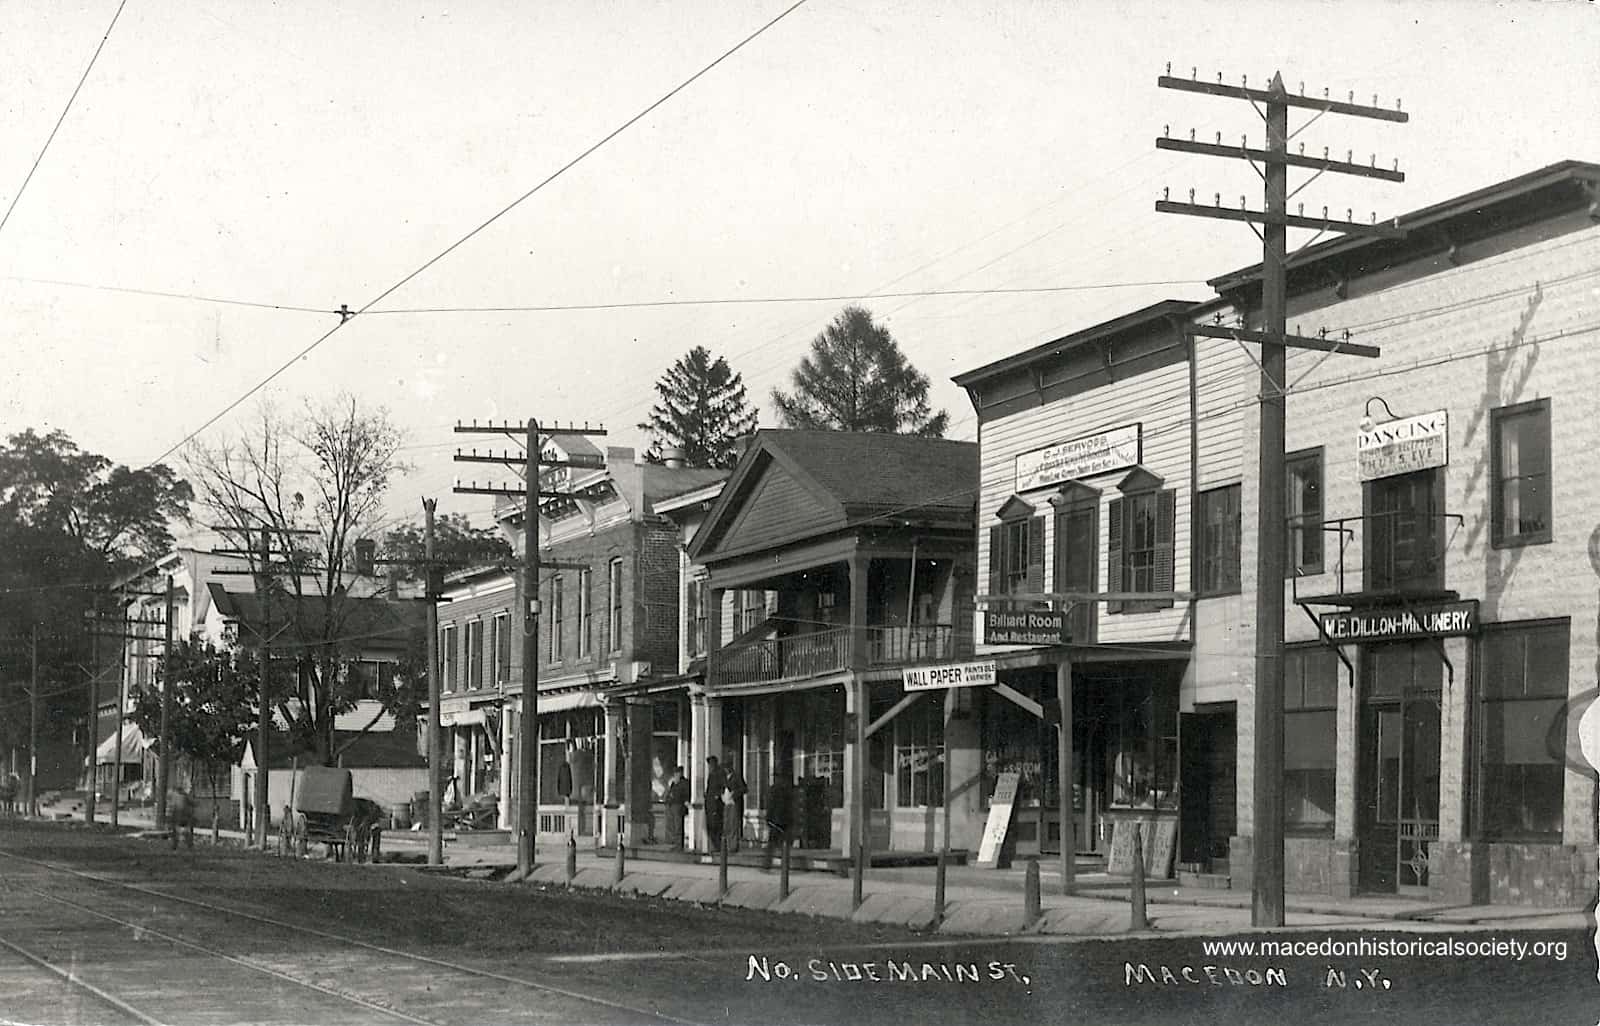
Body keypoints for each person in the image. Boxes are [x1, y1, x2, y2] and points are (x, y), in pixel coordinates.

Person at [762, 770, 794, 871]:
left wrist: (768, 818)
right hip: (785, 820)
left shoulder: (774, 789)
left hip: (776, 821)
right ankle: (785, 865)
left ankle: (767, 865)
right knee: (784, 844)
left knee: (772, 844)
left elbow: (770, 806)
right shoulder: (787, 790)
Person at [722, 762, 748, 853]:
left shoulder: (737, 777)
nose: (725, 770)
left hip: (734, 803)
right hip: (726, 803)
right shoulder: (724, 778)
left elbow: (744, 789)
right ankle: (728, 845)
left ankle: (733, 846)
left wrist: (734, 793)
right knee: (727, 824)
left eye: (726, 768)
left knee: (733, 824)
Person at [703, 755, 727, 852]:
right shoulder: (711, 774)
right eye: (709, 764)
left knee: (715, 826)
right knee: (710, 827)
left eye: (711, 764)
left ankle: (718, 847)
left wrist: (717, 796)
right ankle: (716, 846)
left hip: (716, 805)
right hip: (709, 804)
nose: (709, 766)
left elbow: (723, 786)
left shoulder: (719, 773)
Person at [664, 765, 689, 850]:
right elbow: (670, 792)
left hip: (679, 805)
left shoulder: (684, 782)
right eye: (675, 773)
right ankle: (675, 843)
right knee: (673, 825)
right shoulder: (673, 783)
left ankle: (679, 845)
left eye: (677, 773)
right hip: (672, 805)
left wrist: (686, 802)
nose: (676, 775)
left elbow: (685, 794)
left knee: (678, 826)